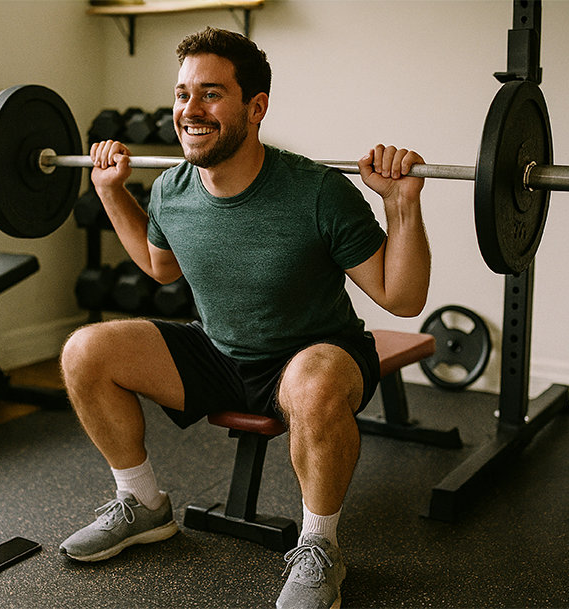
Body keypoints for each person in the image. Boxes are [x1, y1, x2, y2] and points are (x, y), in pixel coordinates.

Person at [58, 27, 430, 609]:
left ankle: (319, 547)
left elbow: (401, 298)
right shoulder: (171, 189)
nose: (189, 111)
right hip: (221, 351)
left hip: (315, 355)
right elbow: (160, 269)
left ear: (256, 107)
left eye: (210, 94)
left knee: (316, 381)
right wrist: (110, 192)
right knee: (85, 350)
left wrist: (402, 204)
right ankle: (143, 504)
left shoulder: (316, 192)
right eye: (182, 94)